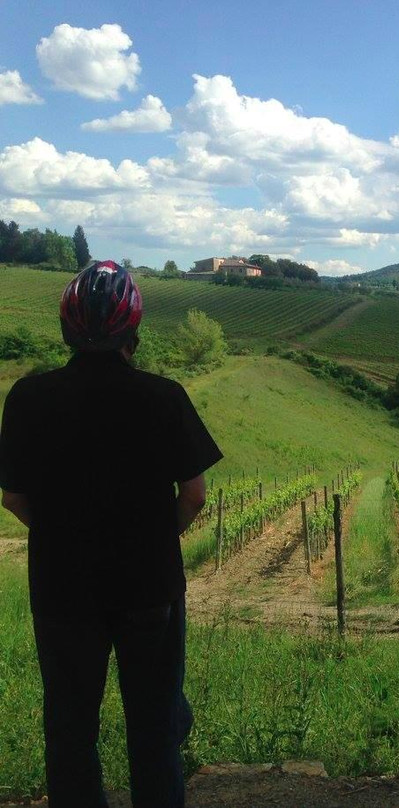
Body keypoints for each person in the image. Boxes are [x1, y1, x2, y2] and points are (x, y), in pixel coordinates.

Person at [0, 261, 222, 808]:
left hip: (62, 591)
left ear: (66, 330)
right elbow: (193, 496)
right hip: (150, 587)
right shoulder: (165, 396)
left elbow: (12, 497)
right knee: (155, 728)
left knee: (71, 731)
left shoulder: (27, 398)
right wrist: (149, 538)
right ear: (134, 332)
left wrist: (63, 534)